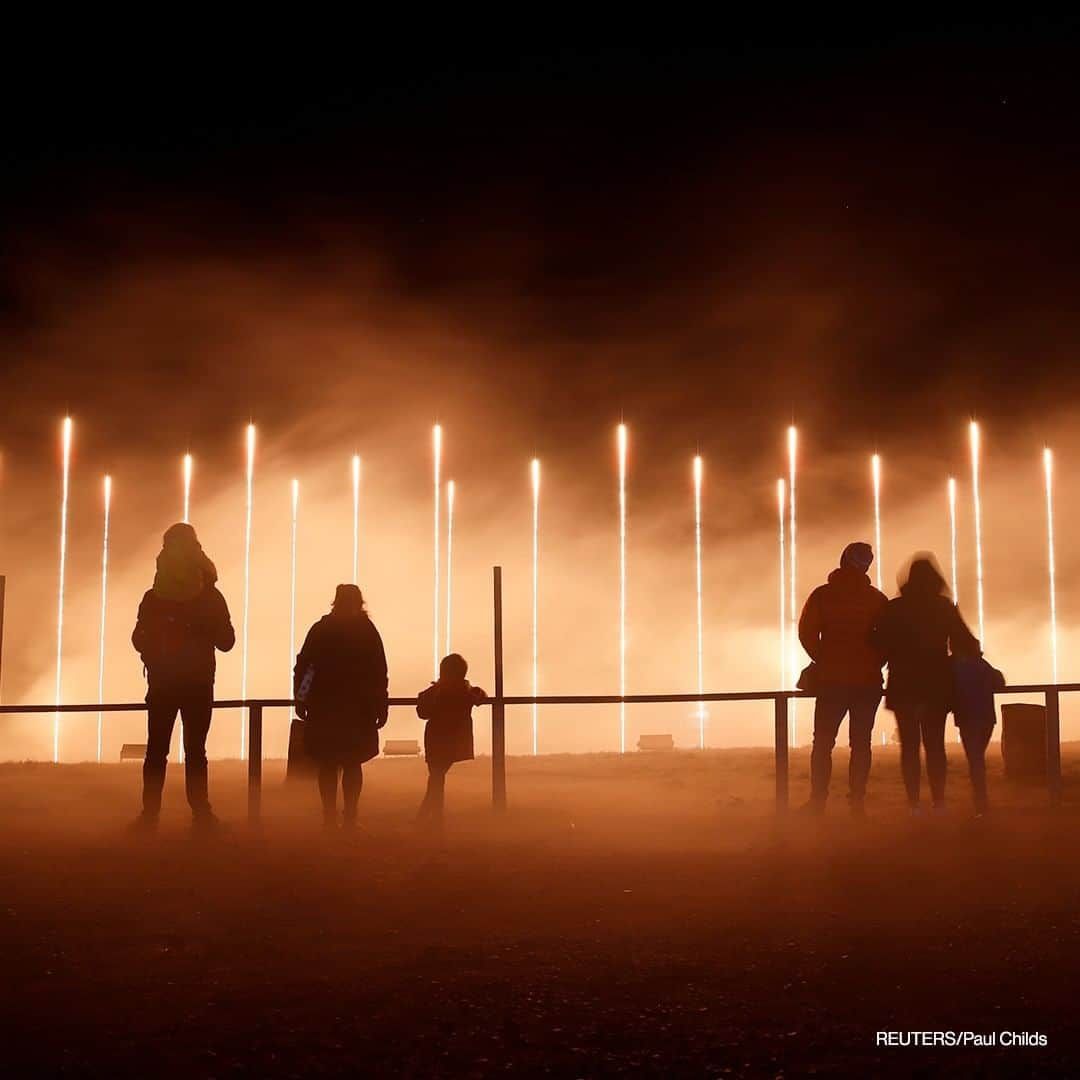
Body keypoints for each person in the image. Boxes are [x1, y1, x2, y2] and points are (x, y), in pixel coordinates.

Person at [131, 523, 235, 832]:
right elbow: (227, 641)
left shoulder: (153, 596)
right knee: (196, 751)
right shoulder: (211, 596)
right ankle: (201, 814)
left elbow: (138, 638)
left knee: (156, 751)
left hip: (162, 682)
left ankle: (149, 816)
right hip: (199, 682)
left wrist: (158, 648)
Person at [871, 554, 979, 814]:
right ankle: (938, 802)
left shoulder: (895, 608)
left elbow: (878, 643)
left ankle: (914, 804)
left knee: (909, 747)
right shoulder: (943, 607)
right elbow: (966, 642)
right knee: (935, 745)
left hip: (903, 683)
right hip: (936, 686)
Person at [798, 541, 888, 815]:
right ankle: (857, 802)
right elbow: (887, 639)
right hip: (867, 682)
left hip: (832, 680)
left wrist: (823, 659)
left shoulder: (823, 595)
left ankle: (818, 801)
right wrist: (874, 663)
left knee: (823, 742)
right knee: (861, 744)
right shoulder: (876, 599)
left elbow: (807, 632)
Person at [294, 585, 388, 831]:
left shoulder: (321, 629)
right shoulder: (367, 632)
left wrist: (302, 698)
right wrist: (380, 703)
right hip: (358, 707)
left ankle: (329, 817)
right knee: (352, 763)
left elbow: (306, 668)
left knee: (328, 763)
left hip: (325, 705)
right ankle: (349, 817)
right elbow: (379, 672)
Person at [416, 653, 487, 824]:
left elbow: (422, 712)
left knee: (436, 777)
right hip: (454, 739)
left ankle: (430, 817)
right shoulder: (466, 692)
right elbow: (479, 697)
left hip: (436, 738)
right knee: (437, 777)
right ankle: (428, 817)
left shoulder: (438, 692)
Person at [951, 636, 1005, 816]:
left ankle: (980, 801)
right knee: (977, 758)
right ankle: (980, 800)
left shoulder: (955, 666)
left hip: (967, 718)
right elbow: (999, 682)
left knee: (975, 759)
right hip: (986, 718)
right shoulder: (983, 665)